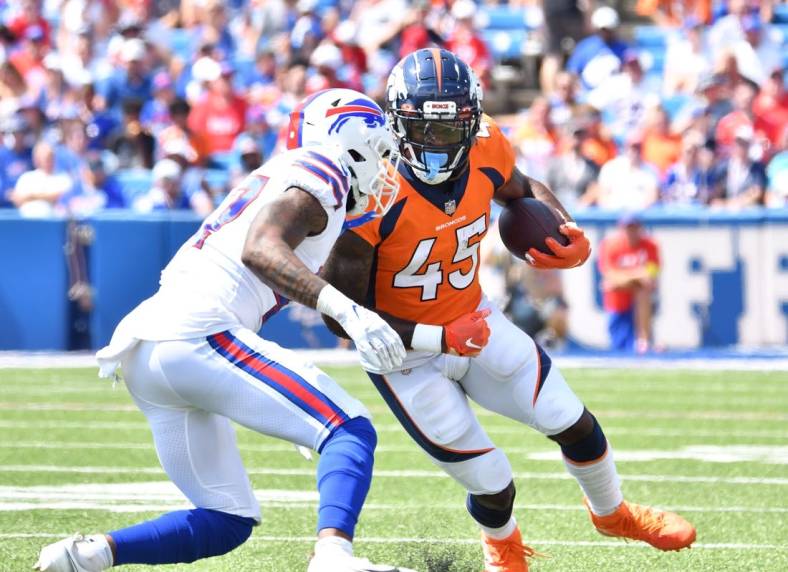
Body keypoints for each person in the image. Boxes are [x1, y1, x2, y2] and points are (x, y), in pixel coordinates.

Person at [34, 89, 478, 572]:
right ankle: (333, 556)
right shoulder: (322, 169)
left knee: (227, 519)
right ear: (349, 140)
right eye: (381, 152)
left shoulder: (286, 179)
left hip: (147, 348)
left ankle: (86, 556)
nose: (386, 166)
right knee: (348, 428)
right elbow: (261, 250)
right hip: (198, 333)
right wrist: (350, 313)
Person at [321, 49, 696, 571]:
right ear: (396, 123)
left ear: (473, 118)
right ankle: (502, 547)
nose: (438, 142)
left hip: (476, 319)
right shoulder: (372, 192)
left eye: (452, 128)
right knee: (495, 483)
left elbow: (524, 191)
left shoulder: (486, 145)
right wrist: (438, 336)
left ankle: (612, 513)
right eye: (424, 129)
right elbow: (341, 316)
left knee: (573, 421)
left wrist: (565, 230)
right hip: (405, 356)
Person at [598, 214, 660, 353]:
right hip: (617, 303)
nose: (631, 233)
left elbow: (651, 274)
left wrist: (623, 280)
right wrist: (636, 276)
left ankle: (643, 339)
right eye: (628, 228)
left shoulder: (650, 246)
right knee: (619, 347)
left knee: (643, 291)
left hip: (639, 305)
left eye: (634, 228)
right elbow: (609, 274)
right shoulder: (610, 245)